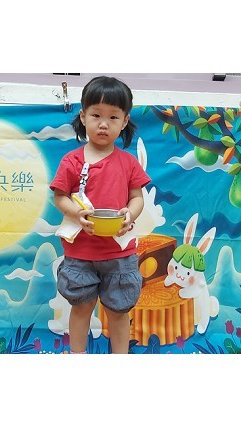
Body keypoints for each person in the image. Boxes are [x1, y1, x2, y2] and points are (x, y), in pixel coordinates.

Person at [50, 76, 151, 354]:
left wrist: (130, 215)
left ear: (125, 121)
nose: (103, 124)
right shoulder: (71, 161)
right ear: (83, 117)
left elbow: (137, 198)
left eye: (113, 117)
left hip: (120, 253)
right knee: (81, 308)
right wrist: (77, 213)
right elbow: (59, 197)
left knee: (119, 312)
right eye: (96, 115)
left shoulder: (129, 162)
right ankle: (78, 355)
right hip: (80, 253)